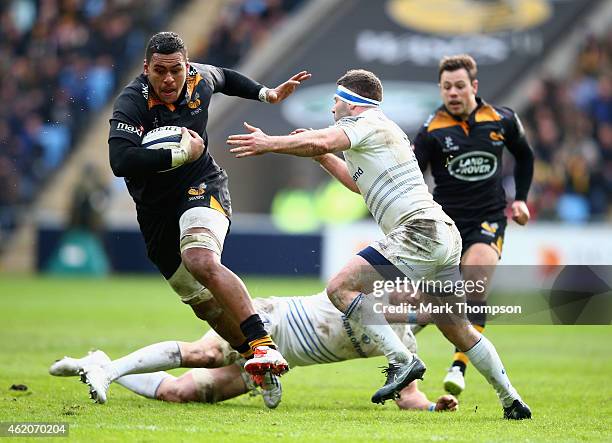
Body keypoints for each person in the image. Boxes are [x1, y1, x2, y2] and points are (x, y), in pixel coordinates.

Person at [226, 69, 531, 419]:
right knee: (457, 328)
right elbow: (359, 184)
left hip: (420, 230)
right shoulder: (377, 131)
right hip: (442, 234)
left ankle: (402, 359)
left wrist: (269, 143)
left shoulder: (366, 122)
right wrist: (320, 157)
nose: (332, 108)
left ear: (353, 103)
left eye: (336, 101)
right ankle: (511, 400)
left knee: (340, 288)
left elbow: (323, 139)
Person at [94, 31, 311, 404]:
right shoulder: (132, 101)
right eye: (159, 71)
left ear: (186, 66)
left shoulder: (200, 78)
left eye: (175, 70)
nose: (168, 80)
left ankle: (263, 345)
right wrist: (177, 155)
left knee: (200, 259)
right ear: (146, 69)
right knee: (204, 304)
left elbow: (226, 77)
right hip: (154, 210)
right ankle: (253, 362)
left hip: (202, 186)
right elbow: (121, 161)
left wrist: (266, 94)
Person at [49, 292, 458, 412]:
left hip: (277, 364)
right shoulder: (368, 288)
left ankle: (100, 364)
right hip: (270, 321)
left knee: (182, 393)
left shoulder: (405, 347)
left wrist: (432, 409)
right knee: (205, 354)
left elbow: (409, 397)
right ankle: (110, 369)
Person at [413, 54, 534, 396]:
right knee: (424, 308)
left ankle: (459, 365)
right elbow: (412, 177)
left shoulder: (502, 119)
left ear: (474, 87)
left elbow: (525, 155)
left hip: (487, 220)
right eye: (446, 87)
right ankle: (399, 359)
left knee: (477, 275)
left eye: (459, 86)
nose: (453, 92)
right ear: (441, 89)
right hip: (445, 226)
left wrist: (521, 198)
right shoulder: (431, 130)